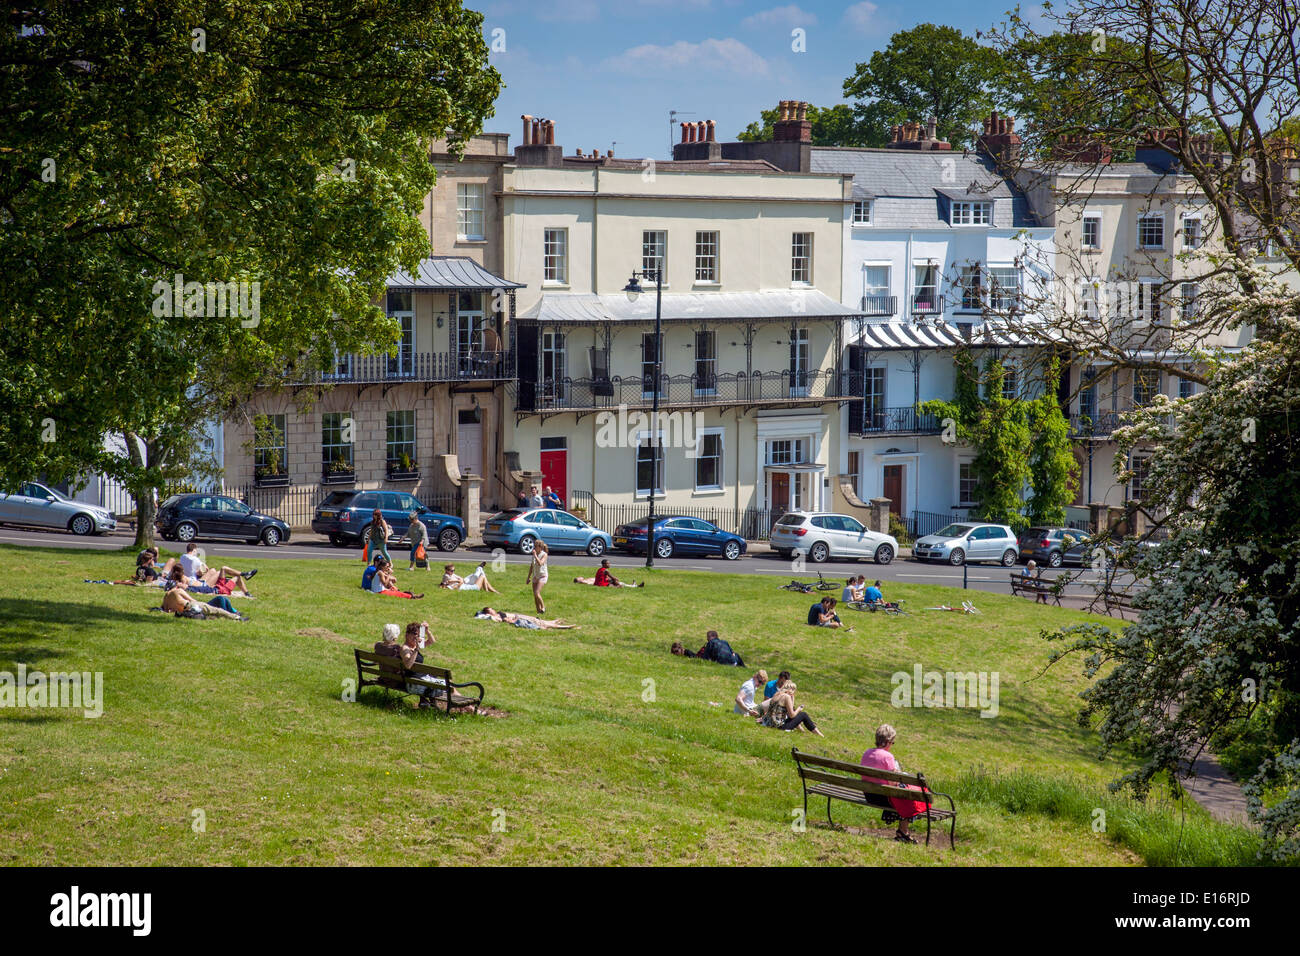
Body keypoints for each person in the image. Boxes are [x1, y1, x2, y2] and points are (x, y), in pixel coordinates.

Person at [860, 723, 932, 843]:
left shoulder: (867, 753)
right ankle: (903, 832)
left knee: (902, 792)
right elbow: (893, 784)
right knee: (907, 794)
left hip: (870, 795)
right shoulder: (887, 757)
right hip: (885, 798)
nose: (892, 745)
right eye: (892, 743)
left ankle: (902, 832)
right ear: (888, 741)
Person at [161, 570, 245, 620]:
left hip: (192, 605)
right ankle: (235, 616)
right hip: (194, 606)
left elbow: (165, 609)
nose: (180, 584)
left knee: (222, 600)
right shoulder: (178, 591)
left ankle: (234, 612)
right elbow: (192, 601)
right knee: (220, 601)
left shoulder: (166, 598)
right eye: (179, 583)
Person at [179, 542, 256, 594]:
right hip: (205, 585)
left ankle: (245, 578)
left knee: (214, 570)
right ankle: (244, 574)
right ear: (194, 550)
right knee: (221, 570)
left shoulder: (182, 557)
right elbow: (206, 569)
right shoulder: (195, 559)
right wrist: (202, 571)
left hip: (199, 582)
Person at [759, 680, 824, 736]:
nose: (794, 691)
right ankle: (818, 734)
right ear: (789, 689)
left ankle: (802, 731)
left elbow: (789, 710)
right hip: (779, 726)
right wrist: (799, 709)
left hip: (769, 724)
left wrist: (792, 699)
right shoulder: (786, 697)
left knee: (797, 714)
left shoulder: (777, 694)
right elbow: (792, 715)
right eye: (793, 689)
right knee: (803, 714)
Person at [475, 607, 578, 630]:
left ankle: (554, 622)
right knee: (540, 624)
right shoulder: (495, 617)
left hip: (518, 615)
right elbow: (507, 620)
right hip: (518, 619)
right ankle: (564, 626)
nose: (493, 610)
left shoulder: (498, 614)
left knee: (538, 620)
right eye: (490, 610)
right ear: (488, 613)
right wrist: (514, 620)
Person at [573, 559, 644, 588]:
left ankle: (633, 585)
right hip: (602, 584)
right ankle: (634, 586)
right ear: (604, 564)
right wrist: (615, 581)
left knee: (616, 582)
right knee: (619, 583)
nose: (609, 564)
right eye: (608, 563)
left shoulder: (600, 569)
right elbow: (613, 577)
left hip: (599, 583)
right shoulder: (605, 570)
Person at [526, 539, 549, 613]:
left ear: (540, 547)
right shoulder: (534, 555)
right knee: (535, 595)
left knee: (537, 592)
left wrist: (535, 555)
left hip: (542, 575)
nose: (534, 548)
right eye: (534, 546)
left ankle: (543, 607)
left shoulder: (544, 554)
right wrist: (528, 577)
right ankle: (538, 611)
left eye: (536, 546)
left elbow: (540, 563)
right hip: (535, 575)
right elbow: (531, 566)